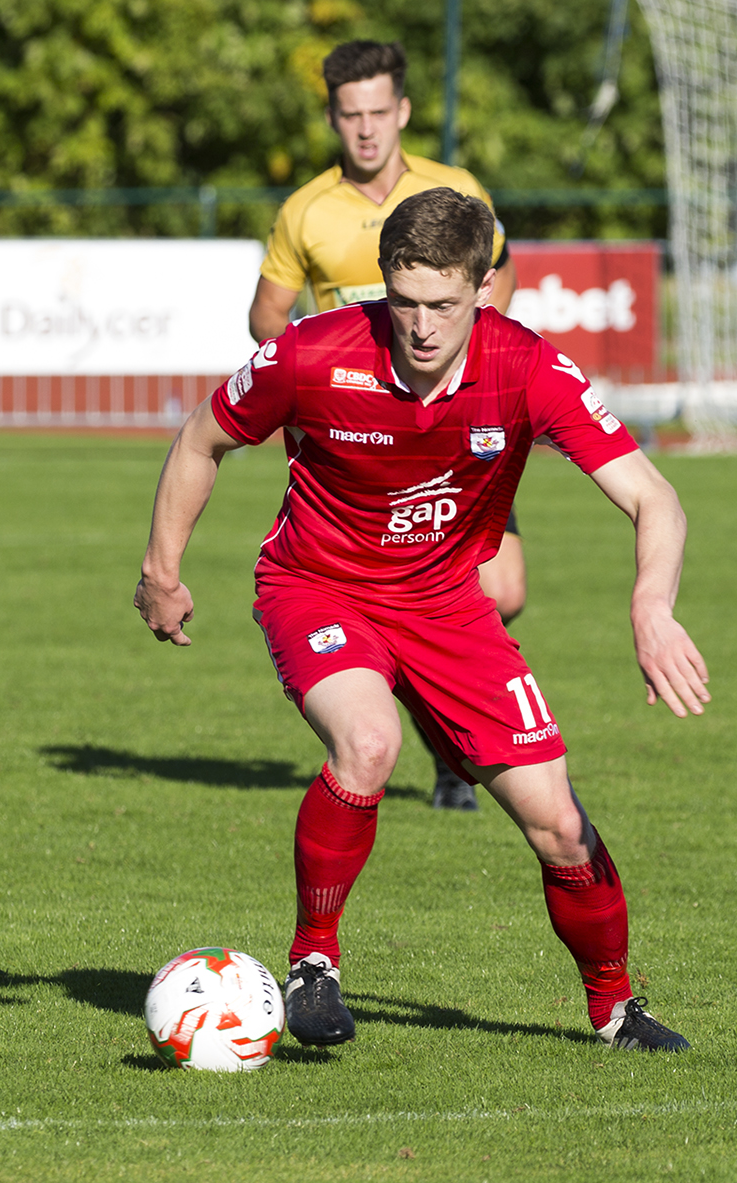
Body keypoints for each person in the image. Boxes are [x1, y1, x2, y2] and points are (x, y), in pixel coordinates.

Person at [138, 188, 708, 1052]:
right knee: (368, 743)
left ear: (483, 290)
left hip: (447, 607)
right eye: (403, 302)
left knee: (557, 821)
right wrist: (161, 570)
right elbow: (199, 439)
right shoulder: (315, 352)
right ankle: (313, 963)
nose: (421, 326)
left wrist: (651, 606)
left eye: (444, 304)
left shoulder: (528, 368)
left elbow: (654, 498)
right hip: (318, 586)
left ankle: (616, 1009)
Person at [250, 39, 525, 810]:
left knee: (502, 590)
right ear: (334, 119)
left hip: (458, 432)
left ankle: (432, 707)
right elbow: (268, 318)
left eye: (378, 113)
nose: (366, 131)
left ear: (402, 110)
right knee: (393, 597)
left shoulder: (455, 188)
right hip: (360, 443)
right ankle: (444, 750)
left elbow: (500, 271)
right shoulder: (305, 210)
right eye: (350, 116)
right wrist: (309, 385)